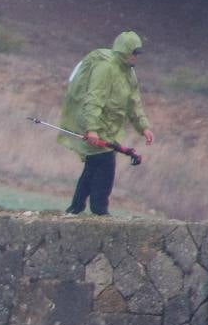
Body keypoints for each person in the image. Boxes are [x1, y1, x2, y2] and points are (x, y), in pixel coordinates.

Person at [57, 31, 155, 216]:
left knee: (93, 166)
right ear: (125, 51)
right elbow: (94, 98)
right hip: (97, 126)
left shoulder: (129, 72)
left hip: (111, 129)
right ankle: (99, 211)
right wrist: (92, 129)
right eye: (134, 52)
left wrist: (144, 127)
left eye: (138, 54)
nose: (136, 57)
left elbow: (133, 101)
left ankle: (75, 208)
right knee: (105, 167)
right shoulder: (106, 67)